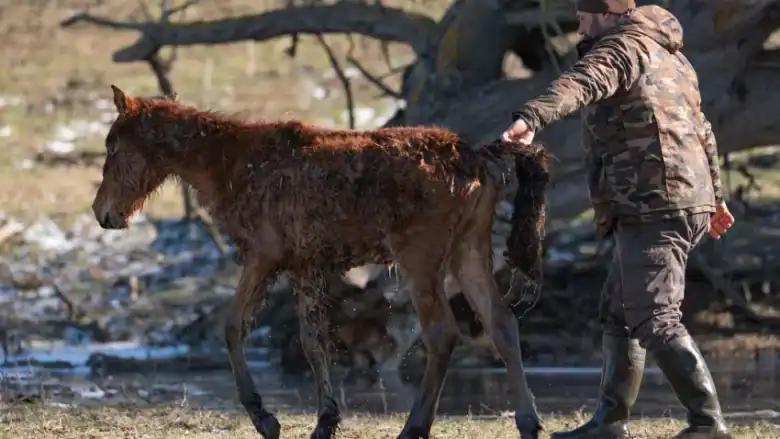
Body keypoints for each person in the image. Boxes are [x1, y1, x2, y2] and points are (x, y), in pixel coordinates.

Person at [501, 1, 736, 438]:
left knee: (654, 318)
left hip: (655, 202)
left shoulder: (620, 49)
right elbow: (701, 128)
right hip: (674, 200)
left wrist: (531, 117)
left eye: (585, 15)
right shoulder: (674, 58)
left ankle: (707, 424)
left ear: (607, 16)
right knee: (620, 312)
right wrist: (716, 198)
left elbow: (582, 82)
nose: (578, 23)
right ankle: (610, 424)